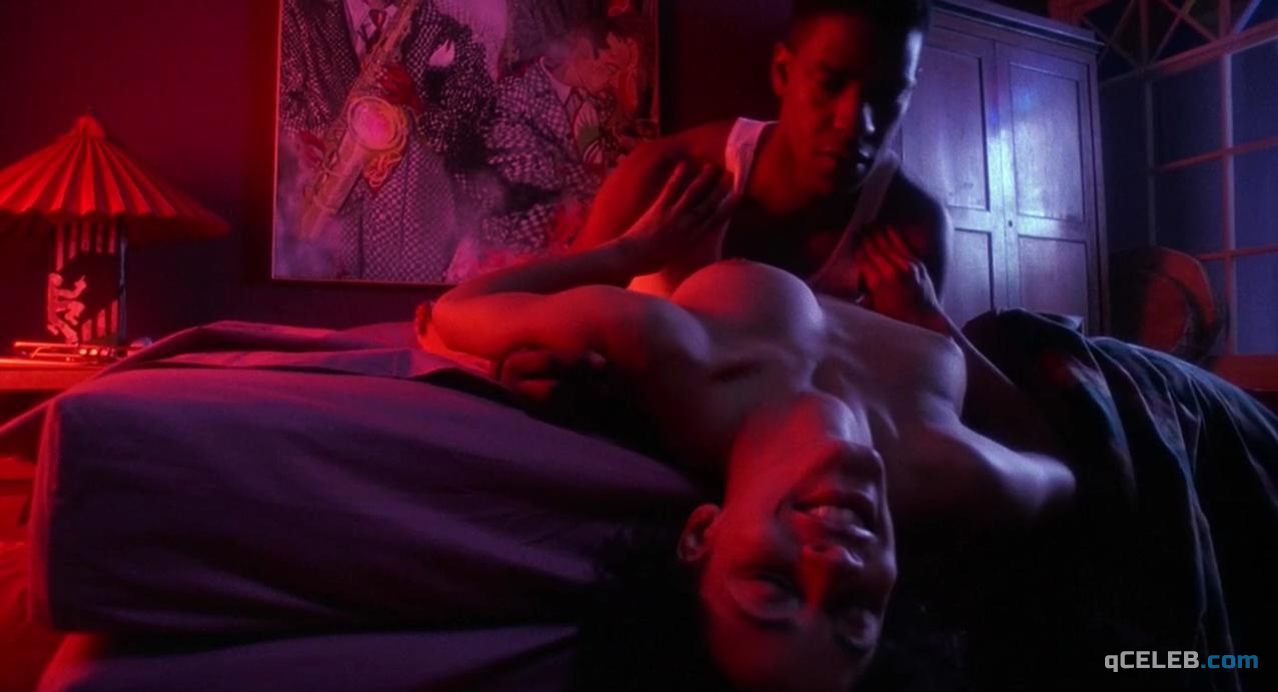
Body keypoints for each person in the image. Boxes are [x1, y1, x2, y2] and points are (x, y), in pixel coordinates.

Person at [431, 163, 1076, 690]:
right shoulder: (956, 472)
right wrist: (936, 324)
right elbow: (1058, 458)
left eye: (772, 587)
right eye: (855, 615)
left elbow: (455, 311)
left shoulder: (676, 359)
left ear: (701, 534)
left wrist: (629, 252)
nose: (834, 564)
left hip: (725, 223)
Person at [570, 0, 949, 301]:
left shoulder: (912, 227)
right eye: (831, 84)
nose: (855, 124)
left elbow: (924, 372)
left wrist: (924, 325)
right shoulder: (664, 175)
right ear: (782, 72)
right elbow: (547, 326)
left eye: (886, 94)